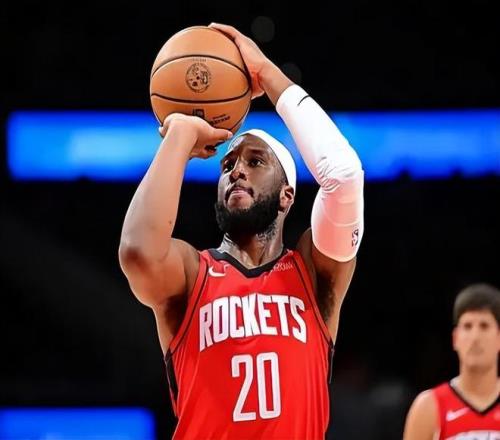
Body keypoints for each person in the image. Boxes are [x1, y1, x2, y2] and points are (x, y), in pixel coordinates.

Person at [119, 22, 364, 439]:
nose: (236, 171)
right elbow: (137, 251)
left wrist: (268, 75)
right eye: (228, 164)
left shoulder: (314, 272)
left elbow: (343, 177)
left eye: (255, 162)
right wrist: (179, 137)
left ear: (287, 195)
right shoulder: (192, 274)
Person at [403, 283, 500, 440]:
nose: (475, 337)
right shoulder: (429, 406)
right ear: (455, 339)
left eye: (484, 326)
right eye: (467, 326)